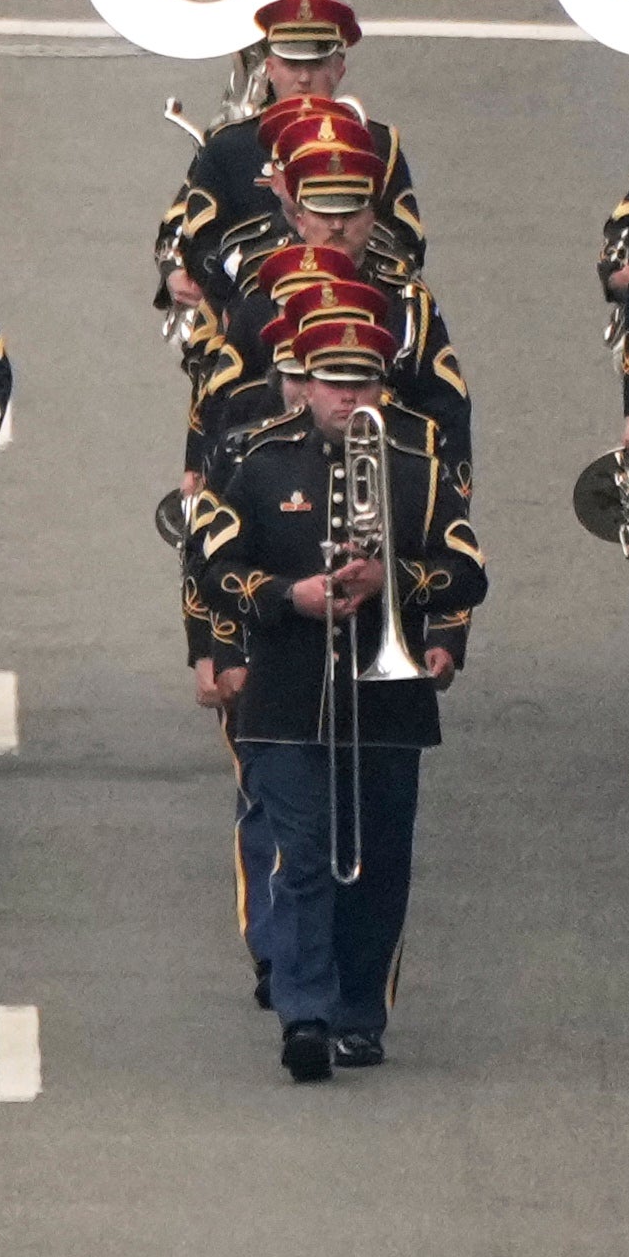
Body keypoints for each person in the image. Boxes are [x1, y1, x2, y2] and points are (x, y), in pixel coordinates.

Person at [181, 307, 481, 1084]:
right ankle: (305, 1013)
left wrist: (397, 582)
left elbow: (467, 569)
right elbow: (214, 567)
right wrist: (292, 595)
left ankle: (359, 1013)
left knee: (379, 861)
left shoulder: (419, 466)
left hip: (388, 696)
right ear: (302, 386)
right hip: (286, 692)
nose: (348, 397)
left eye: (363, 382)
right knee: (304, 854)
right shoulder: (257, 460)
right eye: (332, 382)